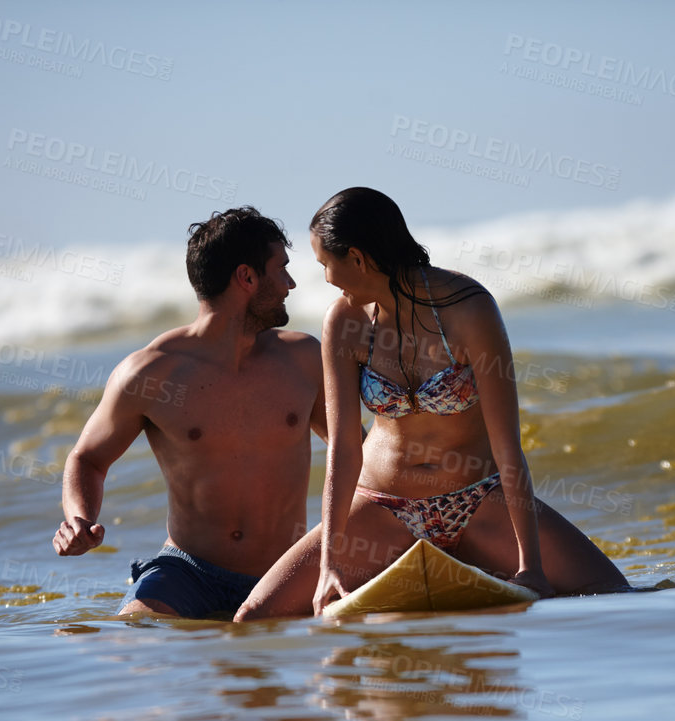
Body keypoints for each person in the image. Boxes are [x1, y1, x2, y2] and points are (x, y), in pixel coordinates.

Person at [235, 187, 628, 620]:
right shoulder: (344, 322)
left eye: (326, 264)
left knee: (611, 592)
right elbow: (344, 448)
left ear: (358, 258)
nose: (326, 278)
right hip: (383, 506)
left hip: (477, 501)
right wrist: (330, 565)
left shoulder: (468, 310)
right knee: (254, 615)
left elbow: (507, 447)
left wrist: (529, 566)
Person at [53, 207, 324, 619]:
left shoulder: (304, 360)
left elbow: (356, 452)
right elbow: (87, 458)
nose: (290, 284)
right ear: (247, 278)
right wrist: (78, 518)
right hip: (187, 572)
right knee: (136, 633)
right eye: (281, 269)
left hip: (285, 573)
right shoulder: (151, 372)